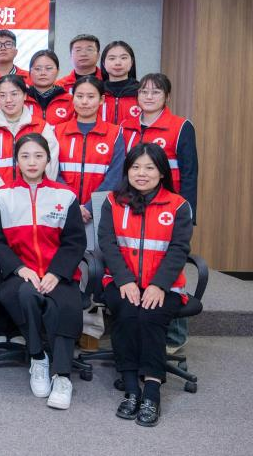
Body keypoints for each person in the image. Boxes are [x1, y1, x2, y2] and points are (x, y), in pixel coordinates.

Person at [0, 133, 87, 410]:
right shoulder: (1, 197)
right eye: (25, 156)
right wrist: (19, 268)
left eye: (38, 156)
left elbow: (75, 242)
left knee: (64, 305)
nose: (32, 162)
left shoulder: (65, 196)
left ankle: (62, 376)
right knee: (27, 296)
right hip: (19, 275)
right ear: (16, 160)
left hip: (57, 274)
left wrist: (56, 273)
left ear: (48, 160)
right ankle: (38, 357)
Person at [99, 143, 192, 427]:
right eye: (135, 167)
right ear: (127, 171)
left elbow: (178, 249)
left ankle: (151, 392)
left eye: (149, 168)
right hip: (121, 281)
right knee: (126, 313)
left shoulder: (178, 205)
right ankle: (131, 389)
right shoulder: (113, 202)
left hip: (165, 285)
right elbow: (107, 244)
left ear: (162, 172)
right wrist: (125, 280)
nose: (141, 173)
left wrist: (158, 285)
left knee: (150, 316)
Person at [120, 73, 198, 354]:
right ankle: (142, 327)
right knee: (139, 262)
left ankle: (175, 335)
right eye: (144, 91)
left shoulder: (180, 126)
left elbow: (189, 173)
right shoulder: (126, 127)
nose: (149, 96)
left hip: (170, 209)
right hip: (134, 205)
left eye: (156, 92)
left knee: (170, 266)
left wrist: (188, 213)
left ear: (167, 96)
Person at [0, 74, 60, 217]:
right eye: (2, 95)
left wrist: (31, 197)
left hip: (34, 206)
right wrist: (3, 199)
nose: (8, 100)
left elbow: (50, 166)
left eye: (14, 94)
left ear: (25, 95)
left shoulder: (41, 127)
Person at [54, 76, 125, 225]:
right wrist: (73, 205)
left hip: (100, 210)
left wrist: (89, 208)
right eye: (79, 96)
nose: (84, 102)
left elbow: (115, 177)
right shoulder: (57, 131)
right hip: (63, 207)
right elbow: (53, 172)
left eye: (91, 97)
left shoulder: (115, 133)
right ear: (73, 98)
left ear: (101, 100)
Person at [25, 50, 73, 124]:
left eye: (49, 68)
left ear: (58, 71)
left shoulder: (70, 101)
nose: (43, 73)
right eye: (37, 69)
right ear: (30, 72)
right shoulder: (22, 99)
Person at [100, 40, 141, 124]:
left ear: (131, 62)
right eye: (112, 58)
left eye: (123, 58)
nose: (118, 63)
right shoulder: (96, 92)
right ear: (103, 63)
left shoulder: (142, 92)